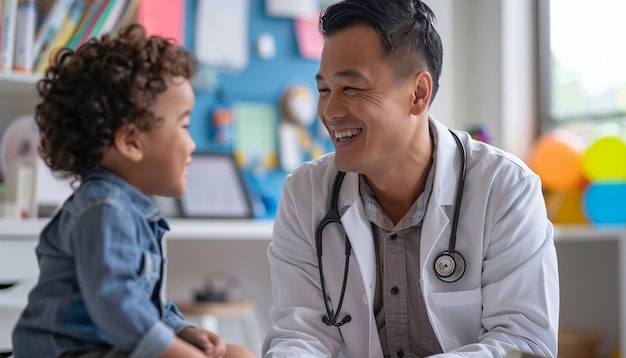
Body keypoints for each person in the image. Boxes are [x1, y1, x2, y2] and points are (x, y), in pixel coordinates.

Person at [262, 0, 559, 357]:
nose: (330, 112)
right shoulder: (306, 193)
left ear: (418, 94)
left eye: (351, 88)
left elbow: (524, 344)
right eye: (324, 90)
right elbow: (298, 335)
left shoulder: (505, 188)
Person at [11, 24, 256, 358]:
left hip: (110, 345)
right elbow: (117, 303)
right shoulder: (104, 208)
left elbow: (142, 301)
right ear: (130, 141)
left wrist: (182, 329)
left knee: (238, 354)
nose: (193, 143)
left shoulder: (131, 209)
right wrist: (174, 351)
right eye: (184, 126)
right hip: (72, 352)